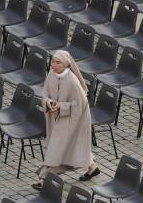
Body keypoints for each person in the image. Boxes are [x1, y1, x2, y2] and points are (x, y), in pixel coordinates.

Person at [32, 50, 99, 191]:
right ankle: (92, 167)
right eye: (53, 62)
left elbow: (80, 105)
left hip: (74, 119)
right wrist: (49, 102)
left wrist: (61, 106)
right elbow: (44, 93)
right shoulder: (51, 74)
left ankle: (43, 179)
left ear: (66, 64)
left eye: (57, 63)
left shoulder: (73, 81)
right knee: (74, 148)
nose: (53, 65)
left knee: (58, 150)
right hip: (57, 117)